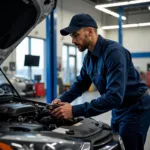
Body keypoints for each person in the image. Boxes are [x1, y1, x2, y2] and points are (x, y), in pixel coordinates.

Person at [50, 13, 150, 150]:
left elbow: (114, 97)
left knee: (128, 146)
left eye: (75, 35)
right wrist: (61, 100)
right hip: (118, 108)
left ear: (89, 32)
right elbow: (81, 84)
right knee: (116, 145)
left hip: (135, 107)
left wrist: (74, 110)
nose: (72, 40)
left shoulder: (114, 53)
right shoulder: (88, 58)